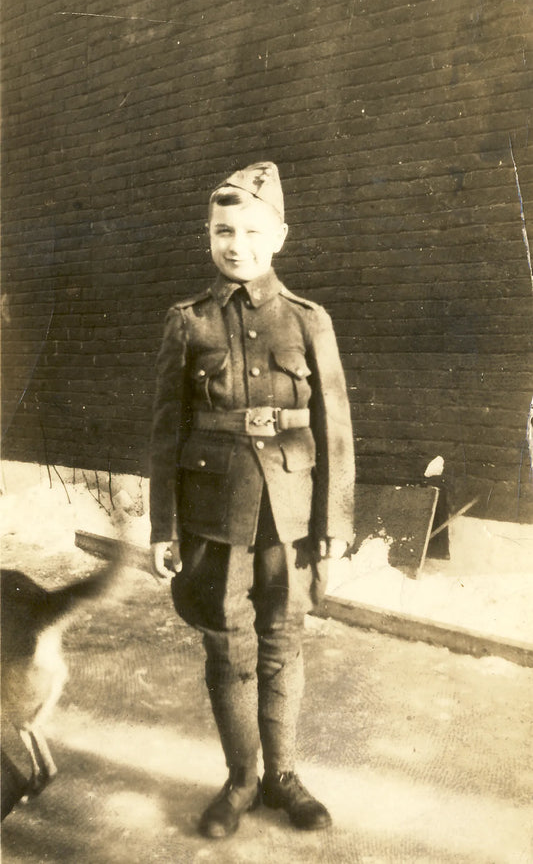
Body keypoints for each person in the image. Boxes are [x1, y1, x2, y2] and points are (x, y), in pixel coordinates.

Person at [149, 161, 355, 839]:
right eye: (221, 230)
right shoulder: (188, 322)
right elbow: (165, 432)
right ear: (208, 235)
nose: (235, 243)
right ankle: (240, 781)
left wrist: (333, 523)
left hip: (289, 512)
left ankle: (283, 777)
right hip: (214, 508)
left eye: (250, 230)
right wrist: (163, 526)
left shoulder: (308, 321)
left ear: (279, 236)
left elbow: (336, 431)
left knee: (282, 640)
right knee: (226, 646)